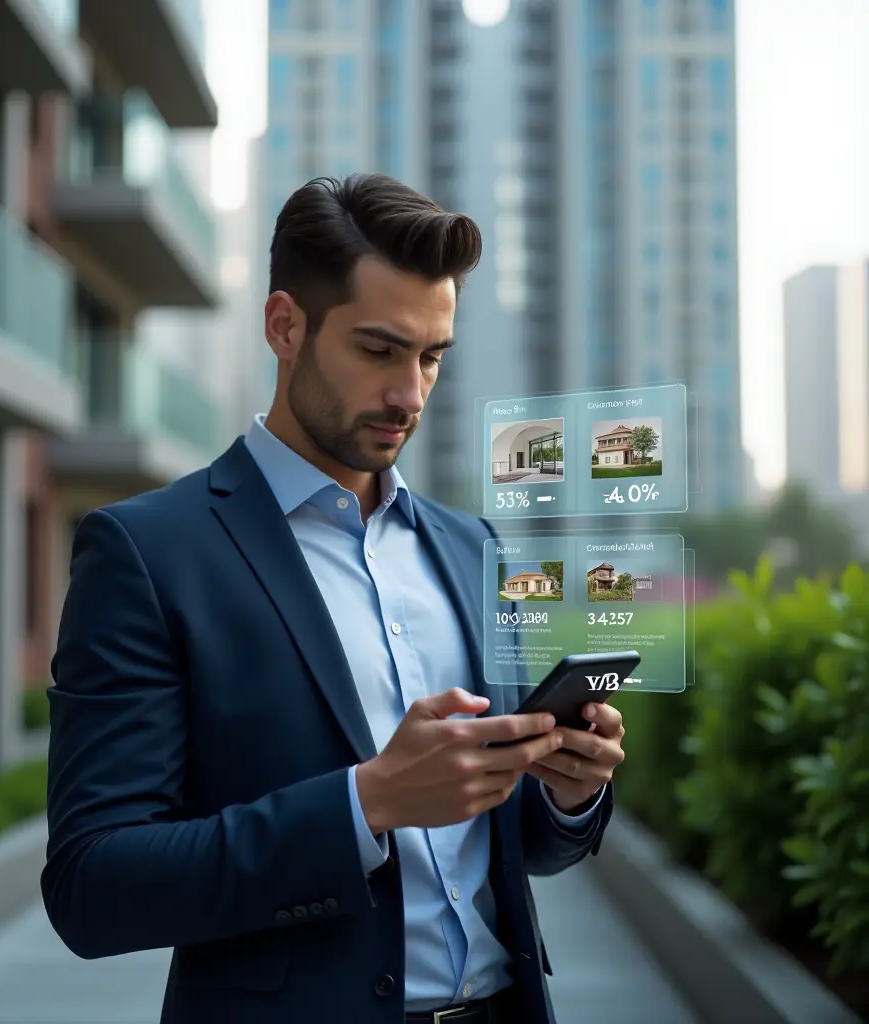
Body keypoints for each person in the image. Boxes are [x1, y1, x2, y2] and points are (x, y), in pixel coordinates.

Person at [42, 173, 626, 1024]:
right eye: (380, 350)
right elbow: (94, 886)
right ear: (285, 326)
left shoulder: (475, 551)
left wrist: (569, 792)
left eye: (431, 357)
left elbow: (514, 847)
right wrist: (367, 803)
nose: (411, 395)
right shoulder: (146, 553)